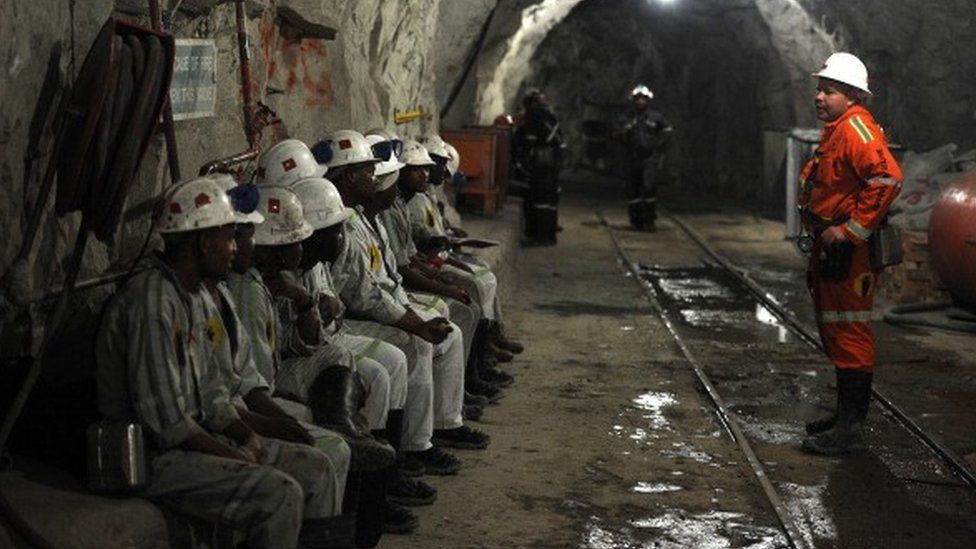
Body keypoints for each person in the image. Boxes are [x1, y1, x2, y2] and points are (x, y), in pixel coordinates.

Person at [95, 177, 344, 548]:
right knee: (279, 494)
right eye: (229, 236)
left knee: (317, 466)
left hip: (196, 441)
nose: (235, 247)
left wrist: (250, 435)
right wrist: (235, 455)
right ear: (202, 242)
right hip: (154, 458)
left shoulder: (195, 295)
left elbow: (213, 394)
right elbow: (168, 424)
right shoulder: (152, 302)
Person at [799, 52, 902, 455]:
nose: (819, 97)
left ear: (852, 95)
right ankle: (845, 417)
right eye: (819, 90)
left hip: (848, 253)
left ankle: (850, 430)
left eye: (829, 91)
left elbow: (887, 176)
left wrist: (851, 231)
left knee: (850, 332)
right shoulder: (838, 128)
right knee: (837, 331)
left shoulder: (855, 127)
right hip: (832, 247)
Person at [514, 88, 563, 246]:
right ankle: (549, 235)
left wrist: (523, 161)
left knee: (540, 199)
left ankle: (540, 237)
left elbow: (530, 140)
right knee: (550, 199)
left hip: (542, 161)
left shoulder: (534, 114)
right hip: (553, 161)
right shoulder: (550, 114)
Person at [622, 84, 672, 231]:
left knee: (649, 188)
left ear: (648, 100)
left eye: (643, 98)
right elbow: (617, 133)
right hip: (632, 158)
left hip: (649, 158)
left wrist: (657, 145)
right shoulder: (627, 117)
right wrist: (624, 135)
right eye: (637, 98)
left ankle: (649, 220)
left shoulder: (656, 117)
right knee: (633, 191)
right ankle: (636, 220)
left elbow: (667, 130)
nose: (640, 101)